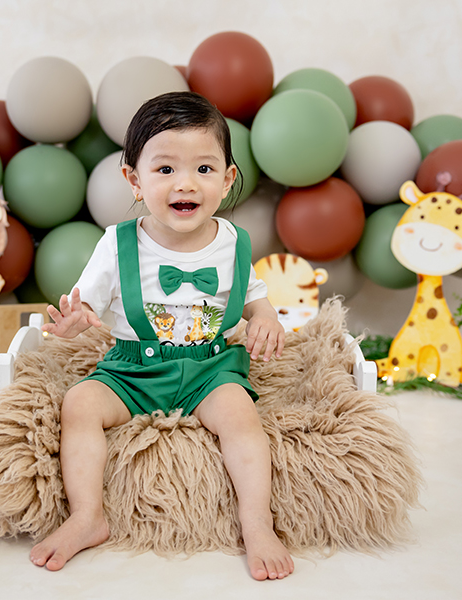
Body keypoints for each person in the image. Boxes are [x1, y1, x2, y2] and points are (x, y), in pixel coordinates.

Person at [30, 91, 294, 581]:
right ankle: (87, 516)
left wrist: (266, 318)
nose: (185, 183)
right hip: (133, 369)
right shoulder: (117, 244)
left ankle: (257, 522)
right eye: (166, 169)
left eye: (204, 168)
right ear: (134, 180)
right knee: (80, 404)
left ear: (227, 179)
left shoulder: (233, 242)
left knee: (241, 417)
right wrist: (74, 320)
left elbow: (255, 297)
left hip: (210, 368)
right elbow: (85, 304)